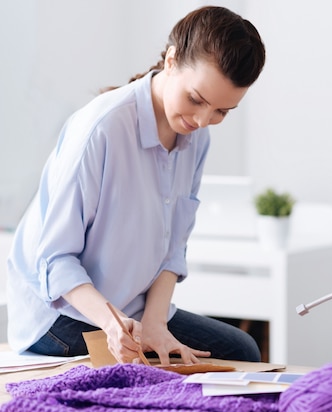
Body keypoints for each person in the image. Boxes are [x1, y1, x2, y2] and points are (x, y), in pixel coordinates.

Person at [6, 6, 266, 365]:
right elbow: (54, 262)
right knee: (152, 372)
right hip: (63, 314)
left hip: (133, 309)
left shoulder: (196, 138)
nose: (203, 120)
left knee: (242, 351)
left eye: (222, 111)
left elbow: (173, 248)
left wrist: (156, 323)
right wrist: (113, 326)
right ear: (172, 60)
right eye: (196, 99)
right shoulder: (102, 129)